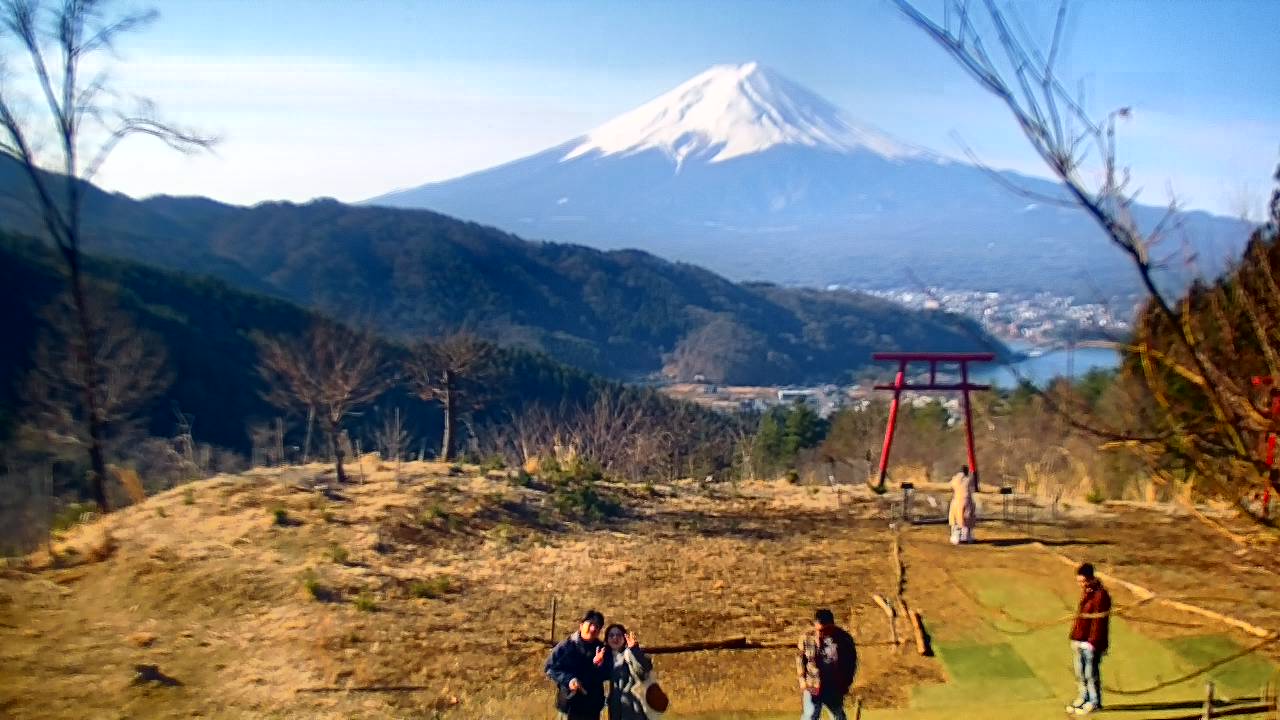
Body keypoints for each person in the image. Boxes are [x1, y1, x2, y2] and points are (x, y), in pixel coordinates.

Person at [546, 609, 611, 720]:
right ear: (581, 626)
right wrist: (569, 680)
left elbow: (607, 674)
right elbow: (550, 668)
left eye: (597, 626)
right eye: (590, 624)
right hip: (568, 706)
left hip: (591, 708)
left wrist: (598, 665)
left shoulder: (602, 649)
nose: (593, 629)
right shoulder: (566, 646)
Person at [1067, 563, 1111, 715]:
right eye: (1079, 582)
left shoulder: (1101, 595)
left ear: (1091, 578)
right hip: (1080, 639)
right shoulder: (1087, 592)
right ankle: (1083, 697)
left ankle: (1094, 701)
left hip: (1091, 643)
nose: (1081, 585)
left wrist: (1092, 642)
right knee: (1080, 673)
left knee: (1090, 674)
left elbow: (1098, 622)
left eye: (1083, 581)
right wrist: (1075, 637)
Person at [797, 608, 857, 720]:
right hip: (812, 684)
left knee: (838, 716)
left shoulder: (843, 639)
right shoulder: (806, 637)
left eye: (826, 630)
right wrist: (802, 680)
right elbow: (800, 659)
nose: (822, 634)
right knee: (810, 715)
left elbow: (851, 663)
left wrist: (845, 684)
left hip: (834, 686)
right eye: (819, 630)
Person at [604, 623, 654, 720]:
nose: (615, 638)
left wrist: (634, 650)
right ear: (607, 639)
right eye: (611, 635)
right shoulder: (606, 658)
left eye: (619, 635)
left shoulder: (632, 652)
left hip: (635, 709)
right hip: (616, 709)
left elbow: (643, 673)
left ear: (624, 637)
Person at [948, 465, 976, 544]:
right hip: (966, 502)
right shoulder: (969, 480)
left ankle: (956, 537)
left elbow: (950, 486)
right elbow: (974, 488)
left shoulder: (955, 479)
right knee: (967, 520)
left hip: (956, 501)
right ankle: (966, 536)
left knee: (956, 520)